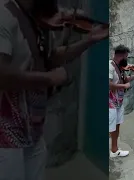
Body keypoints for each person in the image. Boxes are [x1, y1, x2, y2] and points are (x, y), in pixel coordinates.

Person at [0, 0, 108, 179]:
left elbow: (48, 59)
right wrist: (50, 79)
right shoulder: (4, 14)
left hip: (32, 129)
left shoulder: (35, 16)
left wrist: (89, 40)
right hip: (5, 137)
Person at [109, 45, 134, 157]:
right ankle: (109, 150)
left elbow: (125, 80)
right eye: (126, 56)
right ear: (123, 55)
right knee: (110, 127)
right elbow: (108, 84)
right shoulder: (110, 66)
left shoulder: (119, 67)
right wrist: (124, 86)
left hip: (119, 103)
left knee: (117, 125)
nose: (127, 58)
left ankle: (114, 150)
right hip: (110, 103)